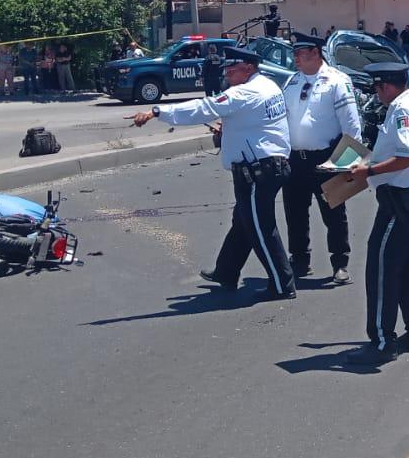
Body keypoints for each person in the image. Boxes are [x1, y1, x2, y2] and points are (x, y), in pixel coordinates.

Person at [132, 46, 296, 300]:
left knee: (260, 227)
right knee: (243, 220)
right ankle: (226, 271)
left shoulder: (245, 92)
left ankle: (282, 284)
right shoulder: (268, 85)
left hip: (257, 170)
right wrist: (228, 129)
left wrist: (157, 111)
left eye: (233, 67)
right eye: (226, 68)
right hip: (271, 164)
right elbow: (255, 121)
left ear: (249, 68)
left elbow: (203, 107)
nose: (227, 72)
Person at [344, 62, 409, 365]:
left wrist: (368, 170)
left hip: (400, 202)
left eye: (377, 88)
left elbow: (408, 156)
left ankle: (383, 341)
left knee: (382, 268)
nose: (376, 94)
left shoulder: (402, 111)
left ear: (386, 86)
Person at [280, 38, 363, 284]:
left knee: (334, 212)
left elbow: (352, 124)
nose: (295, 59)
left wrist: (350, 162)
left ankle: (340, 262)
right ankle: (300, 261)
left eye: (300, 54)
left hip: (326, 157)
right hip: (295, 158)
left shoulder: (337, 80)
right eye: (294, 54)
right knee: (294, 213)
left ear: (316, 53)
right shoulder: (291, 81)